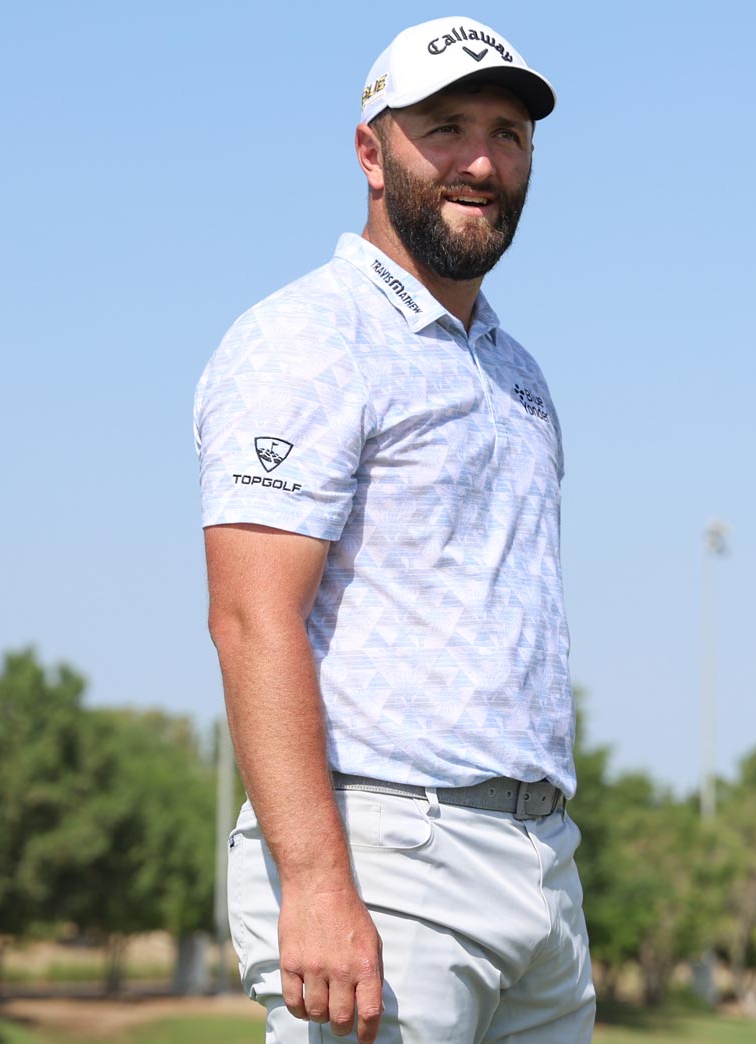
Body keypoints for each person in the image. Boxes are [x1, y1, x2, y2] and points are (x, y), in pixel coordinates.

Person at [193, 16, 590, 1044]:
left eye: (508, 134)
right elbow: (248, 619)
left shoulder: (516, 372)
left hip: (540, 864)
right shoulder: (305, 338)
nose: (480, 160)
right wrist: (319, 883)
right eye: (444, 127)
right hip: (385, 858)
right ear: (370, 151)